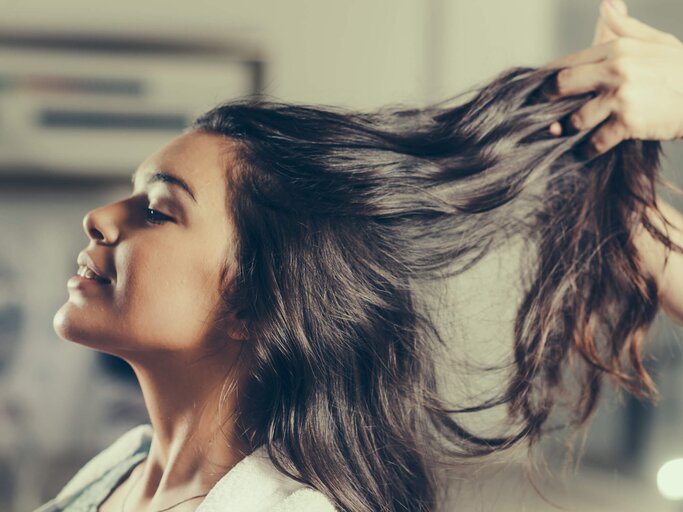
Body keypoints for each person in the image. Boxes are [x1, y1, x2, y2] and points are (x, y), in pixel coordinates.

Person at [33, 1, 683, 511]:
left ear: (254, 298)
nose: (99, 218)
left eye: (158, 209)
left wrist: (630, 208)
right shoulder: (123, 464)